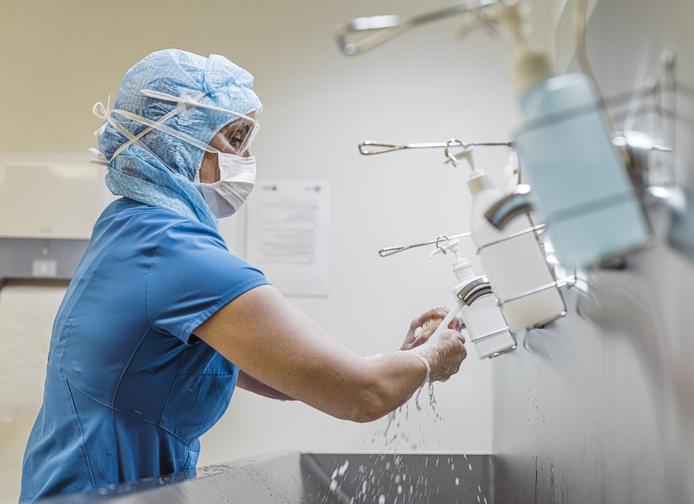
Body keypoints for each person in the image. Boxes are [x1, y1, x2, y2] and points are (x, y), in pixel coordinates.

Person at [19, 49, 467, 501]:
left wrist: (404, 359)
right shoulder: (176, 253)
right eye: (235, 138)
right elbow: (361, 395)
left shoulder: (129, 227)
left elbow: (292, 378)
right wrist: (429, 361)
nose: (247, 157)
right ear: (180, 138)